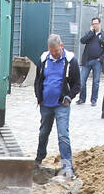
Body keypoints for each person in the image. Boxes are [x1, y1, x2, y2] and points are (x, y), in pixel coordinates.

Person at [33, 34, 79, 178]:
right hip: (45, 104)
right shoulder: (43, 60)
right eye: (52, 51)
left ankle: (67, 166)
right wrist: (39, 97)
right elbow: (38, 81)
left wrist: (69, 97)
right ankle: (39, 159)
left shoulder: (70, 61)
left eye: (57, 51)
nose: (55, 54)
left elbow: (77, 84)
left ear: (62, 46)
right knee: (43, 132)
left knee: (63, 135)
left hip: (61, 105)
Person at [76, 17, 104, 106]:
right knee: (82, 80)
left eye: (96, 23)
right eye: (93, 24)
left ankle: (94, 100)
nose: (95, 25)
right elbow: (82, 40)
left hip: (97, 61)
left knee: (96, 82)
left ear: (100, 24)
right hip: (87, 60)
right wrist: (90, 32)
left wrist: (101, 58)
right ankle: (82, 98)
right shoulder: (90, 34)